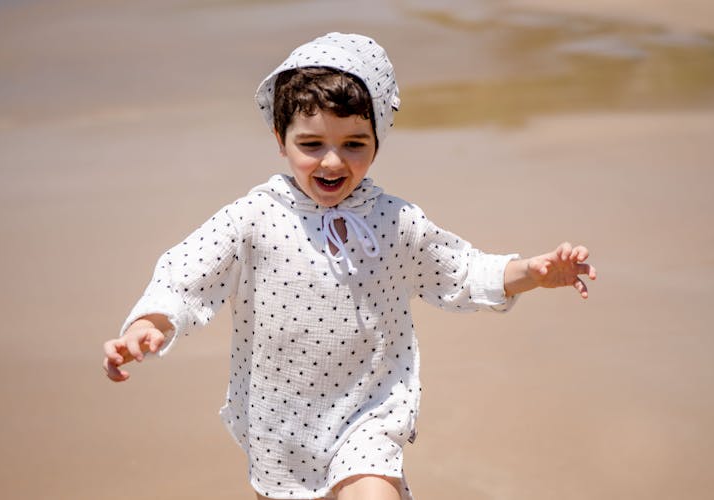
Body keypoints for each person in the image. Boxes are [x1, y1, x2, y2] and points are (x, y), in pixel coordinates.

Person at [103, 32, 596, 500]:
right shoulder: (253, 217)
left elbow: (461, 273)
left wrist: (533, 272)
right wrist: (150, 323)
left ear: (378, 140)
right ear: (280, 139)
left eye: (354, 144)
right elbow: (186, 276)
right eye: (311, 144)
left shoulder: (395, 220)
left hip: (370, 411)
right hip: (279, 418)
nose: (333, 162)